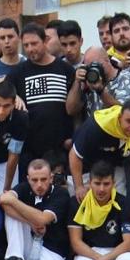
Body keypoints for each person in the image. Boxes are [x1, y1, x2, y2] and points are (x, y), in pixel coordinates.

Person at [13, 24, 78, 172]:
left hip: (60, 151)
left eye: (34, 43)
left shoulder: (66, 70)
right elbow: (1, 90)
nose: (30, 49)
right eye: (26, 45)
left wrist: (74, 138)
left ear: (45, 40)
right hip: (30, 152)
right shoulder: (18, 72)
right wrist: (14, 96)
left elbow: (76, 109)